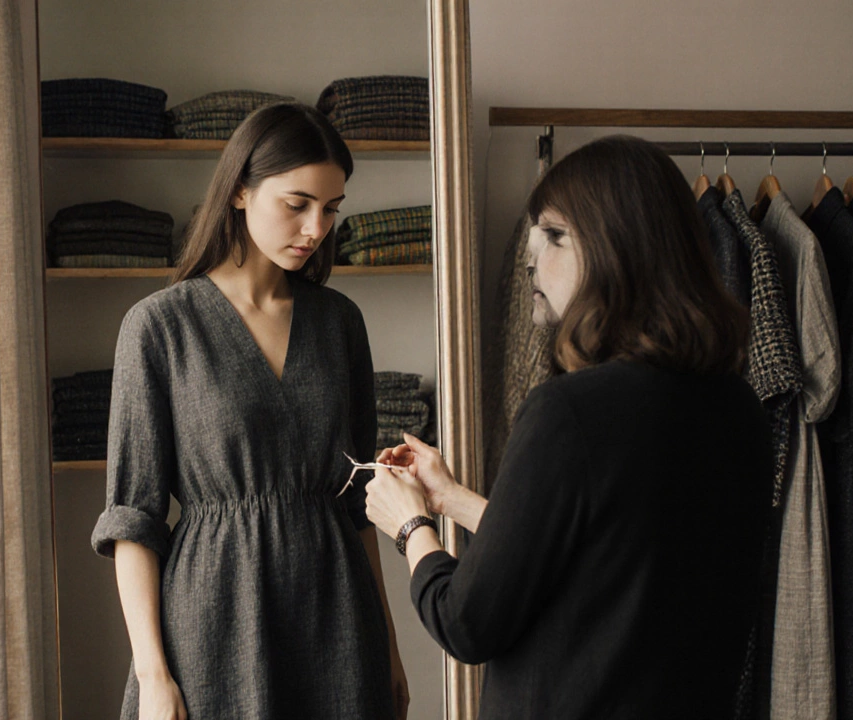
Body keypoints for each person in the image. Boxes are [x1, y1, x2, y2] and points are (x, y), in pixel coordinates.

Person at [364, 135, 772, 719]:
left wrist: (409, 527)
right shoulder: (738, 409)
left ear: (618, 248)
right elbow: (607, 561)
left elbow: (467, 622)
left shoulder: (570, 412)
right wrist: (452, 499)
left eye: (554, 235)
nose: (531, 256)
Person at [91, 102, 407, 720]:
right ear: (240, 191)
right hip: (212, 624)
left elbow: (359, 505)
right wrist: (154, 676)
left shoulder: (340, 322)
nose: (316, 227)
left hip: (337, 620)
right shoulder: (159, 327)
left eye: (332, 208)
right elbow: (133, 520)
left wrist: (389, 649)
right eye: (297, 204)